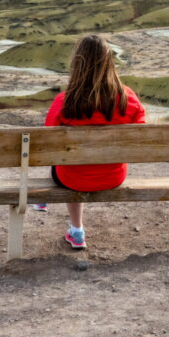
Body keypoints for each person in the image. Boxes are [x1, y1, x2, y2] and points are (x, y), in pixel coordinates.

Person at [34, 34, 146, 250]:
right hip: (114, 176)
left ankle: (77, 231)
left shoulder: (65, 101)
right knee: (72, 164)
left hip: (72, 178)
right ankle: (71, 225)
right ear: (109, 62)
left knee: (67, 165)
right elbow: (141, 134)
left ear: (77, 63)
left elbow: (47, 142)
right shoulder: (128, 98)